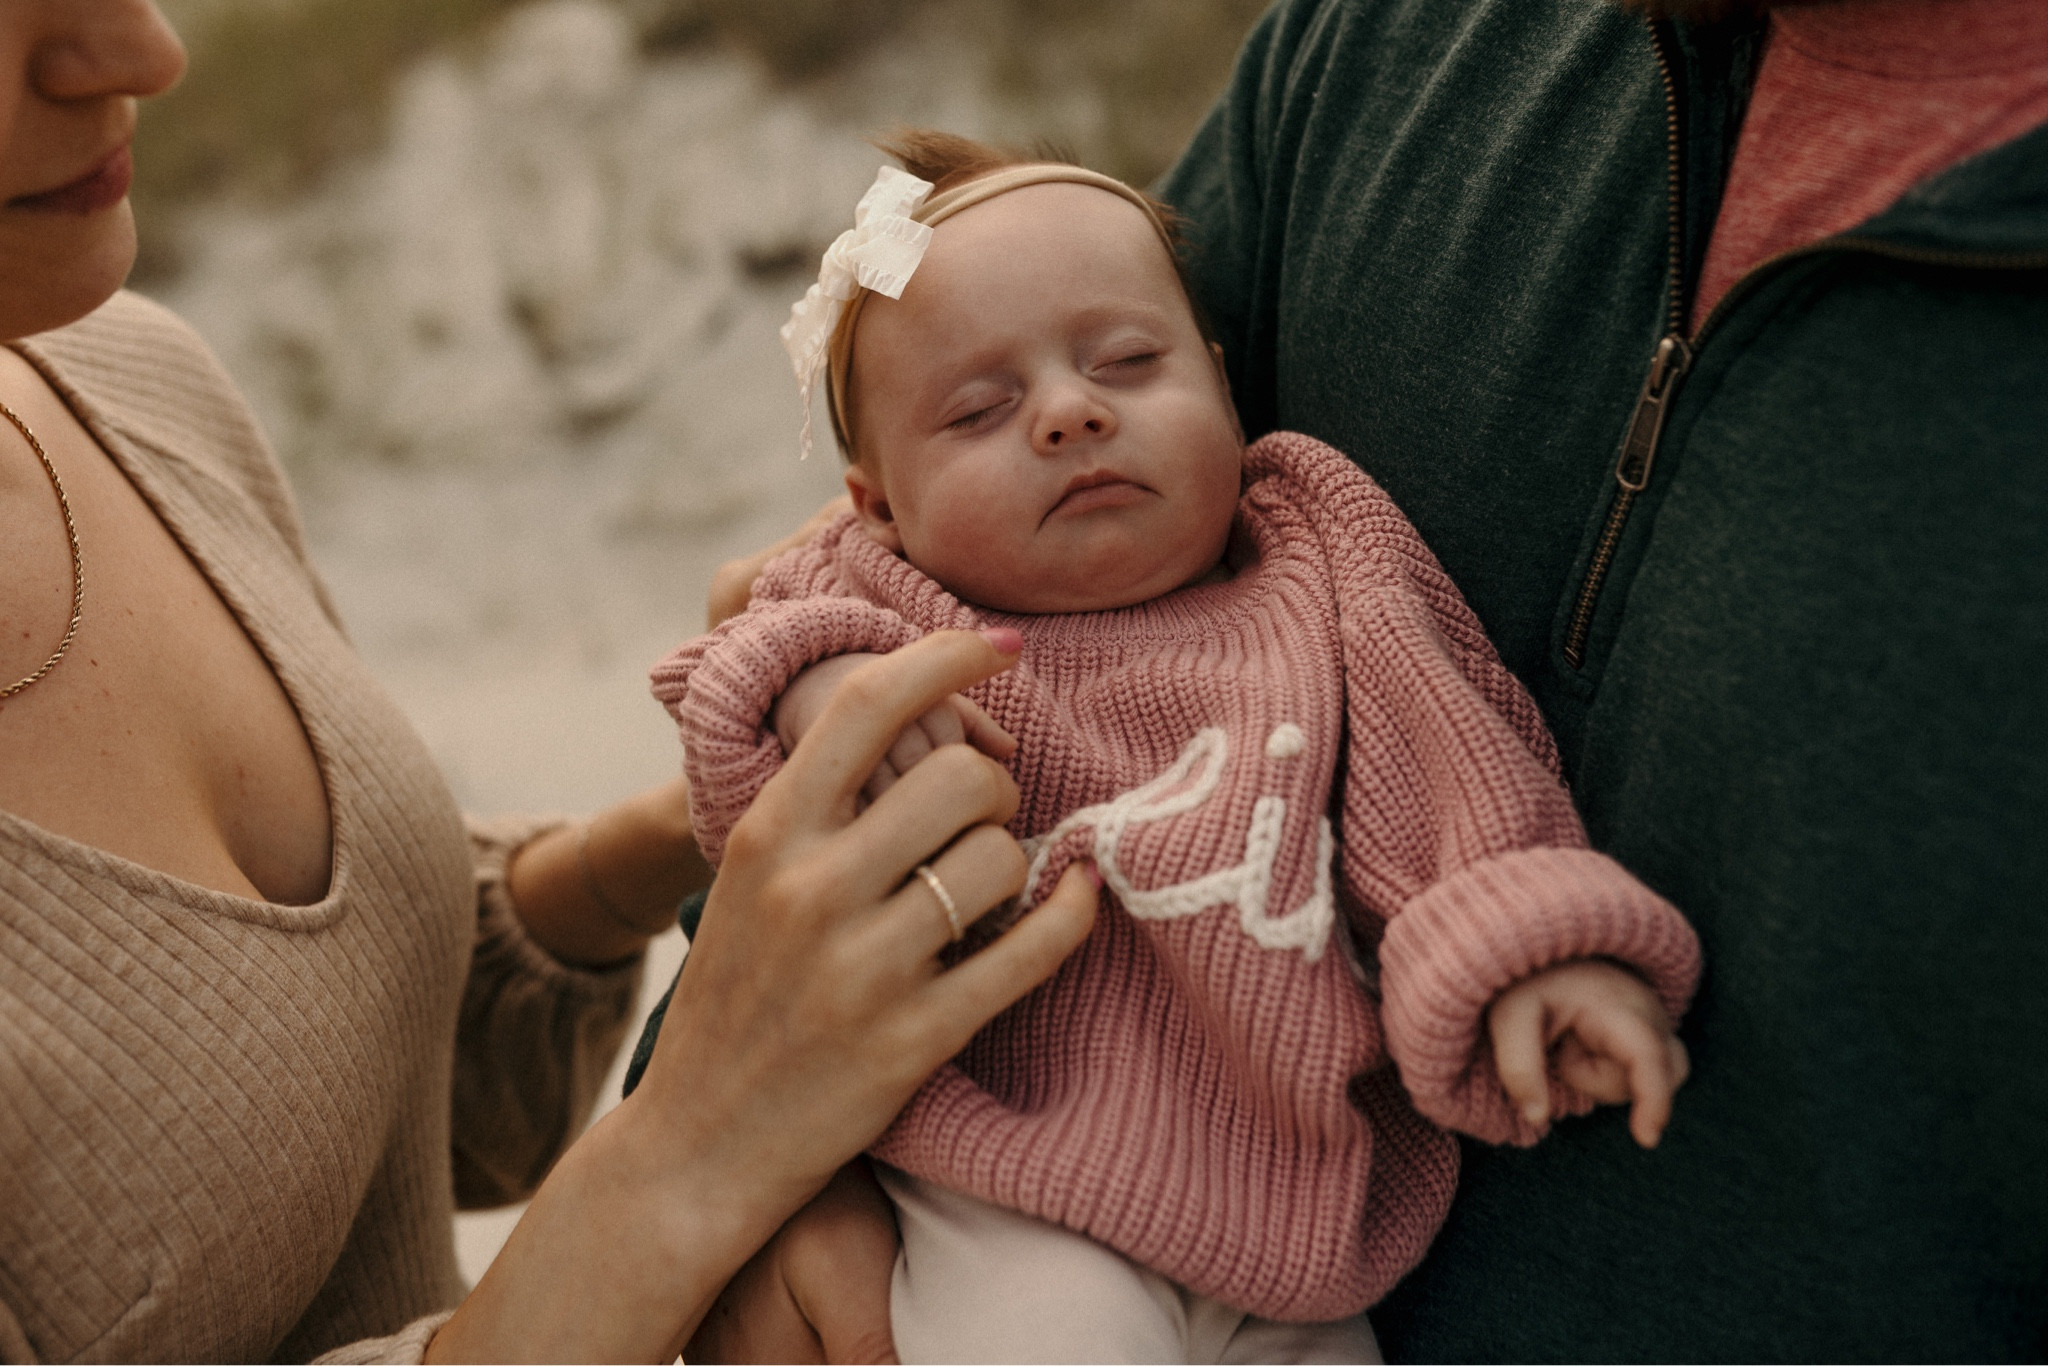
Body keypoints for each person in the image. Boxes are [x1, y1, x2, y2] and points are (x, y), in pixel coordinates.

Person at [0, 3, 1098, 1361]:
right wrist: (691, 1151)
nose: (139, 54)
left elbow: (281, 1090)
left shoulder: (119, 379)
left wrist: (672, 844)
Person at [648, 135, 1701, 1363]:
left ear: (1218, 381)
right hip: (1009, 1190)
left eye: (1128, 363)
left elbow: (1446, 750)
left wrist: (1525, 947)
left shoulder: (1312, 554)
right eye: (980, 410)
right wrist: (814, 683)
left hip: (1292, 1211)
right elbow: (725, 682)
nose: (1069, 411)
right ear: (877, 503)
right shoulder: (884, 608)